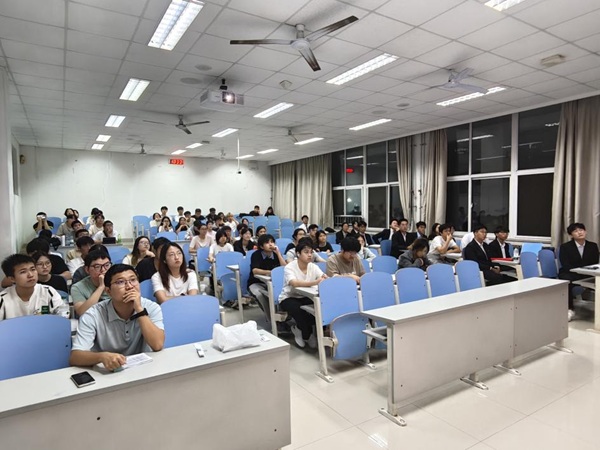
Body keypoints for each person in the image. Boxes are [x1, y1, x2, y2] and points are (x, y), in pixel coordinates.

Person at [69, 264, 165, 370]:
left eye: (133, 280)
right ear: (108, 291)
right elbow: (75, 357)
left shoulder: (151, 307)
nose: (129, 286)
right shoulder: (93, 314)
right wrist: (101, 357)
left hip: (143, 369)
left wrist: (139, 310)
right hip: (107, 371)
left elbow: (157, 345)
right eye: (120, 282)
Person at [278, 238, 327, 348]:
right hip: (289, 297)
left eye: (311, 252)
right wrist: (315, 282)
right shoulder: (289, 267)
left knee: (321, 308)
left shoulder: (313, 266)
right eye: (306, 252)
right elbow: (294, 283)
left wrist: (324, 278)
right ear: (298, 254)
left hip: (306, 296)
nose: (309, 255)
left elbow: (323, 277)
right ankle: (306, 334)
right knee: (299, 310)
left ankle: (302, 329)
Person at [0, 254, 68, 320]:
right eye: (23, 272)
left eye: (33, 269)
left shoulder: (48, 291)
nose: (30, 275)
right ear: (12, 278)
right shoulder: (3, 299)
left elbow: (63, 314)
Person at [558, 222, 600, 321]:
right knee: (567, 282)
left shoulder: (593, 246)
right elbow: (565, 264)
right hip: (570, 273)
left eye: (581, 230)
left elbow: (594, 262)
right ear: (571, 235)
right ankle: (569, 309)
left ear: (585, 231)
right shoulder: (565, 247)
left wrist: (585, 271)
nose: (579, 232)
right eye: (575, 231)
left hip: (587, 273)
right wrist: (578, 271)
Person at [248, 234, 286, 314]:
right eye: (267, 243)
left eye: (272, 242)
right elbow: (255, 270)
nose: (270, 244)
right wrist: (271, 272)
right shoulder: (256, 255)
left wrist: (278, 253)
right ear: (261, 246)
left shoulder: (276, 254)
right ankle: (272, 317)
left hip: (273, 283)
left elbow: (284, 268)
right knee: (260, 295)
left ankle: (281, 314)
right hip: (257, 282)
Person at [71, 250, 112, 316]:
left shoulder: (118, 282)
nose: (103, 270)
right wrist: (101, 287)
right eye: (97, 267)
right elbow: (82, 312)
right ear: (87, 270)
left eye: (107, 265)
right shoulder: (77, 287)